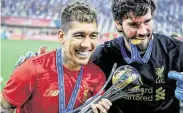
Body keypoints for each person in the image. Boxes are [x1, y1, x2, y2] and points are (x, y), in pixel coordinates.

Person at [11, 0, 183, 113]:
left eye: (147, 21)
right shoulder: (103, 55)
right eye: (133, 24)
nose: (143, 31)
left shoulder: (175, 50)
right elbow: (68, 66)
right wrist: (35, 64)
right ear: (118, 24)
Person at [0, 2, 112, 113]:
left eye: (93, 36)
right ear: (62, 37)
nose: (87, 44)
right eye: (79, 36)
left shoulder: (97, 76)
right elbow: (4, 108)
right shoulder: (31, 69)